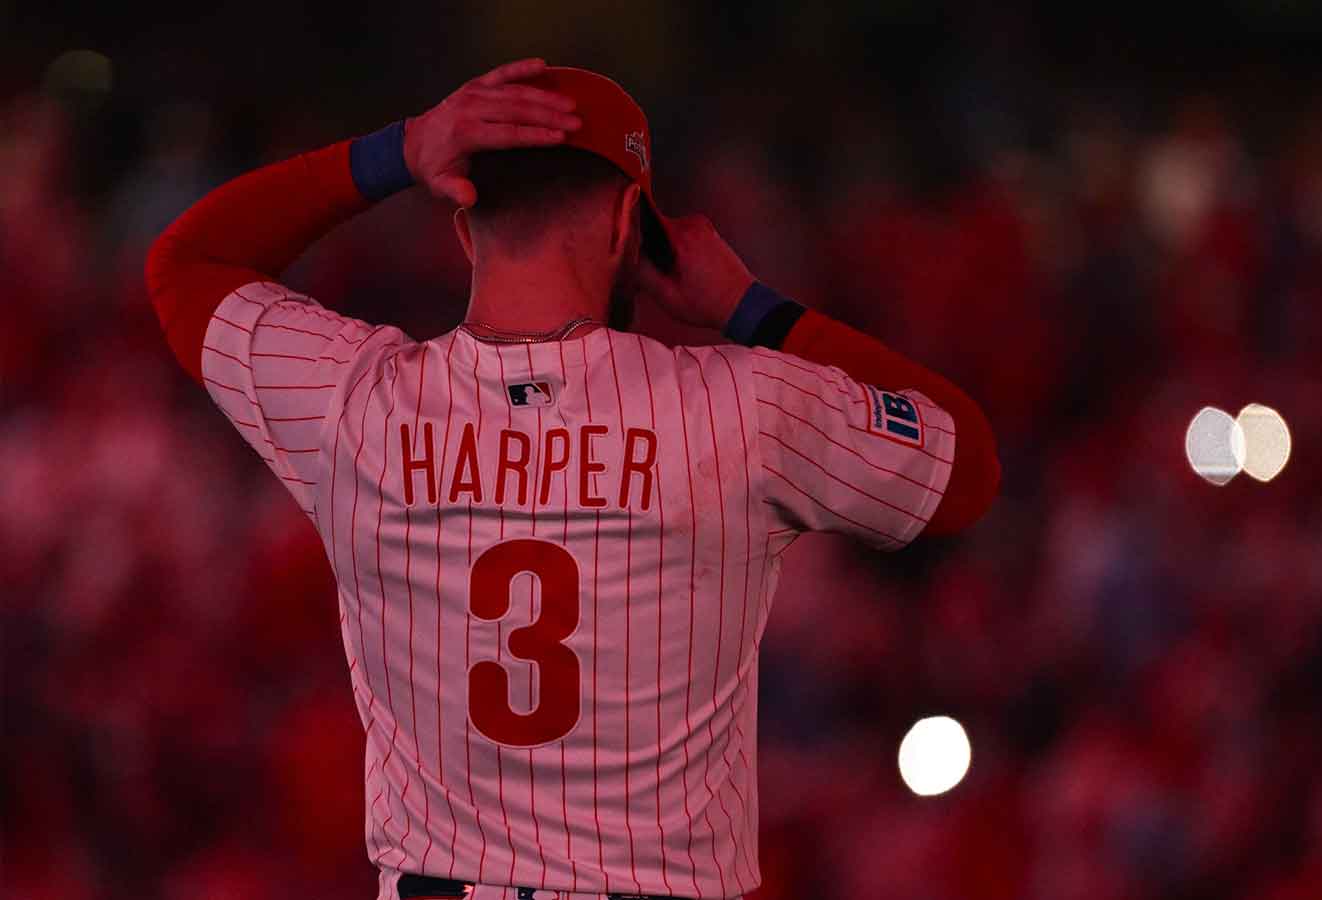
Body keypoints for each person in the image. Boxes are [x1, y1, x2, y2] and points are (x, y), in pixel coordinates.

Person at [146, 59, 1000, 900]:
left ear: (461, 224)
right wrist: (750, 307)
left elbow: (187, 265)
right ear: (631, 220)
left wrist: (399, 151)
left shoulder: (356, 402)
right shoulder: (742, 406)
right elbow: (964, 468)